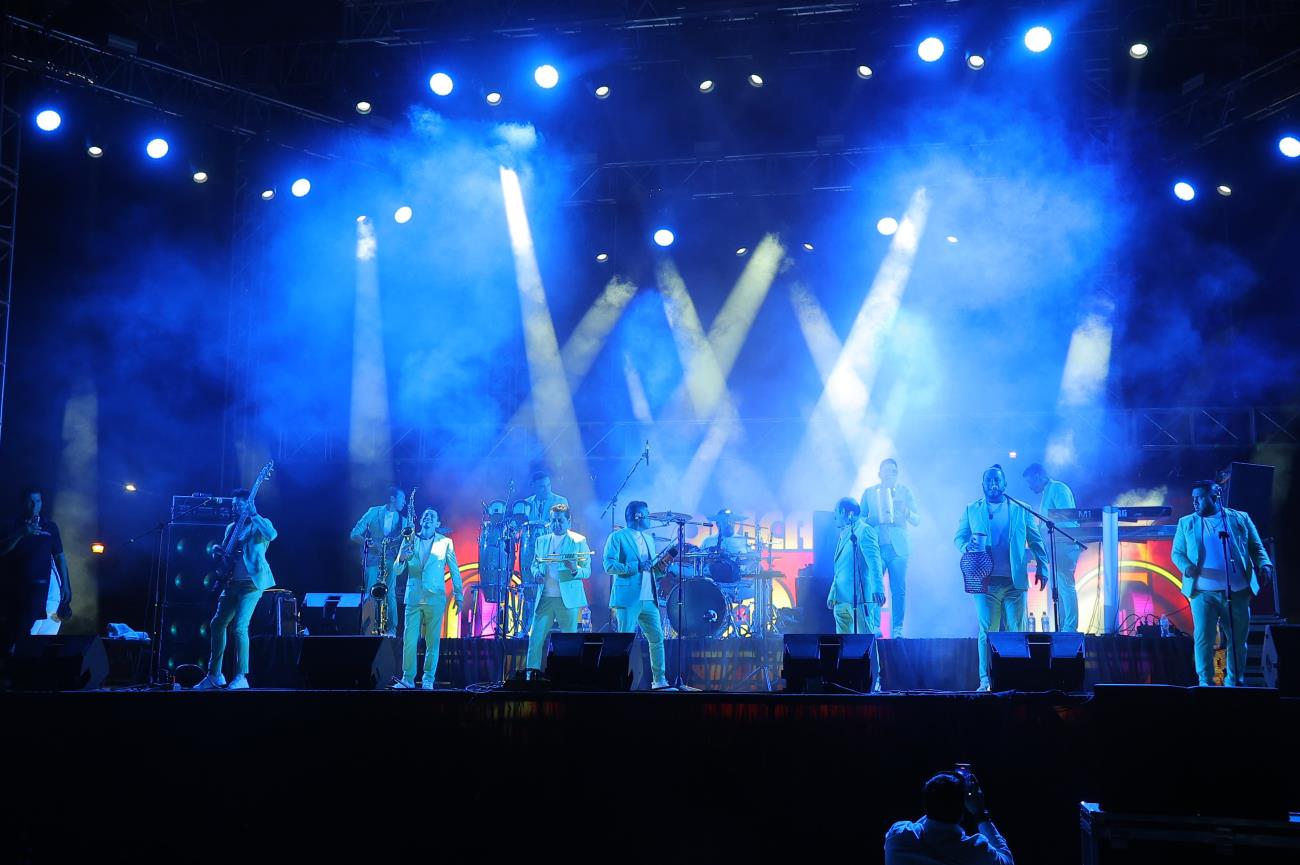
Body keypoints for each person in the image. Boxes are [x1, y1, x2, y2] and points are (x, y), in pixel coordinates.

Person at [955, 465, 1049, 691]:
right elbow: (959, 537)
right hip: (985, 581)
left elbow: (1035, 540)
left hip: (1014, 581)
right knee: (987, 631)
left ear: (1005, 484)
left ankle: (1015, 678)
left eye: (997, 480)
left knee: (1016, 631)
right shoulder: (972, 509)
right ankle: (985, 680)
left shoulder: (1021, 508)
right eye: (989, 480)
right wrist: (965, 546)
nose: (993, 484)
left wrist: (1043, 566)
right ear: (983, 484)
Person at [1171, 479, 1274, 687]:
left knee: (1237, 642)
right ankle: (1205, 684)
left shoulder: (1240, 518)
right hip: (1202, 592)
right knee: (1203, 640)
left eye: (1200, 497)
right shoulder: (1186, 522)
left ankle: (1234, 683)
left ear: (1215, 496)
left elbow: (1256, 546)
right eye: (1194, 498)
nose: (1195, 502)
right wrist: (1187, 566)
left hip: (1237, 591)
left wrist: (1265, 565)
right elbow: (1177, 553)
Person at [196, 488, 277, 690]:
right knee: (217, 623)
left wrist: (254, 514)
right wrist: (218, 551)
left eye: (239, 505)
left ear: (248, 505)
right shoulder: (231, 527)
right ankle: (214, 674)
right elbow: (226, 554)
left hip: (252, 583)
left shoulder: (260, 523)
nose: (234, 508)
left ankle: (242, 676)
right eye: (233, 505)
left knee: (240, 627)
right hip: (232, 582)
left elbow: (272, 534)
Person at [603, 500, 671, 690]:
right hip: (628, 598)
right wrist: (636, 566)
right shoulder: (617, 537)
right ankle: (619, 682)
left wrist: (661, 568)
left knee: (657, 638)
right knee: (624, 641)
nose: (650, 518)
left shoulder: (649, 539)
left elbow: (651, 571)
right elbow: (609, 566)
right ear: (637, 516)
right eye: (647, 514)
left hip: (649, 597)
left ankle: (659, 680)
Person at [392, 508, 463, 689]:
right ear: (420, 521)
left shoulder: (446, 542)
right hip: (414, 596)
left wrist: (459, 595)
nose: (427, 518)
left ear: (438, 523)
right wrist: (401, 558)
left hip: (435, 597)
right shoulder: (409, 538)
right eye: (425, 516)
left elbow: (454, 570)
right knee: (409, 640)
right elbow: (397, 569)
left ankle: (428, 679)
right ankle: (408, 679)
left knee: (432, 641)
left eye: (432, 516)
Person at [884, 768, 1014, 864]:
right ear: (963, 809)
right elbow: (1007, 861)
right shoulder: (976, 851)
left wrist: (938, 793)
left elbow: (929, 821)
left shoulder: (898, 835)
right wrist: (980, 814)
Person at [0, 488, 72, 649]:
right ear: (23, 503)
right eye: (30, 502)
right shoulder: (11, 525)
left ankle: (38, 669)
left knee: (45, 641)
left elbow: (60, 557)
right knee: (21, 638)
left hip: (50, 593)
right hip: (22, 592)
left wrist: (66, 585)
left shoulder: (50, 526)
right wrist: (21, 533)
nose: (34, 506)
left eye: (38, 501)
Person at [524, 504, 591, 671]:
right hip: (545, 597)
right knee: (535, 639)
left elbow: (587, 570)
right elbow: (534, 565)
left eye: (560, 520)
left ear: (568, 521)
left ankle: (567, 677)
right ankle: (531, 676)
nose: (556, 524)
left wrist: (574, 569)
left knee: (569, 641)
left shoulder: (578, 541)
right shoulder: (541, 541)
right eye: (553, 520)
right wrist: (536, 574)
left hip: (566, 599)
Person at [861, 458, 920, 638]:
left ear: (897, 474)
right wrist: (871, 520)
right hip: (877, 547)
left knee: (898, 590)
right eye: (886, 470)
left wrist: (906, 511)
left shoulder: (904, 492)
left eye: (893, 471)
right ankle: (875, 627)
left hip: (899, 549)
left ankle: (897, 629)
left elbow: (917, 520)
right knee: (875, 586)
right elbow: (860, 519)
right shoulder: (870, 492)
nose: (890, 474)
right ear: (879, 474)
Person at [1021, 463, 1081, 632]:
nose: (1030, 487)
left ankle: (1070, 627)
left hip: (1064, 545)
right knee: (1061, 587)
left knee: (1066, 585)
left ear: (1037, 477)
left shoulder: (1058, 489)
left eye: (1030, 482)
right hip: (1056, 546)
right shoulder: (1048, 492)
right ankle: (1064, 626)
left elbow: (1067, 518)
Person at [349, 486, 412, 636]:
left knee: (390, 593)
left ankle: (391, 630)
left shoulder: (403, 522)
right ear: (392, 498)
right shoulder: (373, 512)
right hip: (372, 560)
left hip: (390, 560)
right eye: (402, 498)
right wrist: (369, 543)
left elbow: (405, 543)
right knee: (371, 592)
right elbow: (354, 534)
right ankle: (368, 629)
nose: (404, 502)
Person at [825, 497, 885, 635]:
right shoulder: (843, 534)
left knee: (865, 643)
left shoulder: (865, 531)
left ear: (847, 513)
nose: (835, 516)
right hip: (841, 601)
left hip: (859, 598)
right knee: (844, 646)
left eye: (837, 511)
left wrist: (878, 588)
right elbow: (840, 569)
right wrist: (832, 594)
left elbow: (875, 562)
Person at [519, 471, 568, 636]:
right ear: (533, 486)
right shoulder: (526, 504)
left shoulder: (560, 501)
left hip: (552, 553)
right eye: (541, 486)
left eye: (548, 485)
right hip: (529, 553)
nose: (546, 489)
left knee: (550, 591)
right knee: (529, 588)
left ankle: (551, 628)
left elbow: (565, 528)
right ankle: (527, 627)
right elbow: (520, 529)